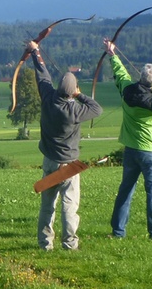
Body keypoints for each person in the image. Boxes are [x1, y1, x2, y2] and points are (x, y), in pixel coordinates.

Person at [103, 39, 152, 240]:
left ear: (140, 79)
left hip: (130, 150)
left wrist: (112, 54)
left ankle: (118, 232)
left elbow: (120, 74)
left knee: (126, 191)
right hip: (149, 152)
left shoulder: (127, 90)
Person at [27, 41, 103, 251]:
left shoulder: (48, 97)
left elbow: (42, 74)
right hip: (68, 165)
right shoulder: (75, 110)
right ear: (72, 92)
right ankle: (69, 244)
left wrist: (35, 52)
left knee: (47, 205)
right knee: (69, 205)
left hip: (50, 161)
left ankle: (45, 244)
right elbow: (96, 109)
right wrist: (80, 95)